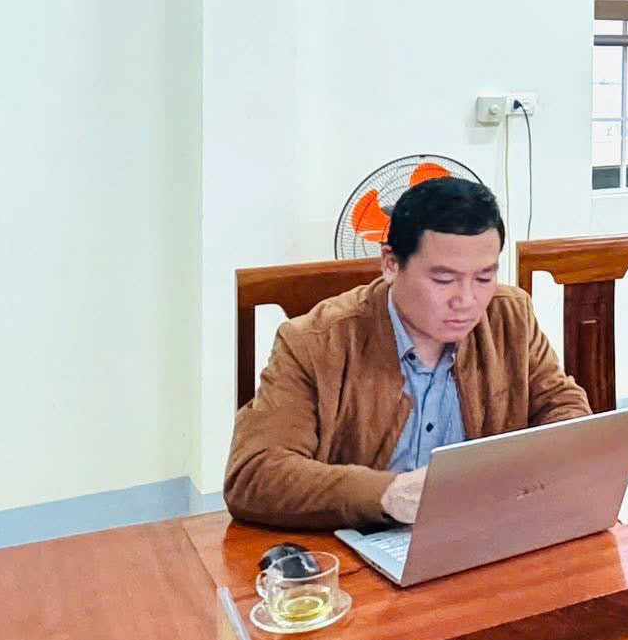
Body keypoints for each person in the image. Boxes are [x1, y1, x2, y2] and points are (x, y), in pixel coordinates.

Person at [223, 176, 590, 531]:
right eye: (443, 280)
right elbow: (254, 473)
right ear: (391, 264)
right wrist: (386, 495)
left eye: (483, 278)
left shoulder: (510, 315)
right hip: (361, 539)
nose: (466, 300)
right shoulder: (313, 342)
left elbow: (564, 408)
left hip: (483, 528)